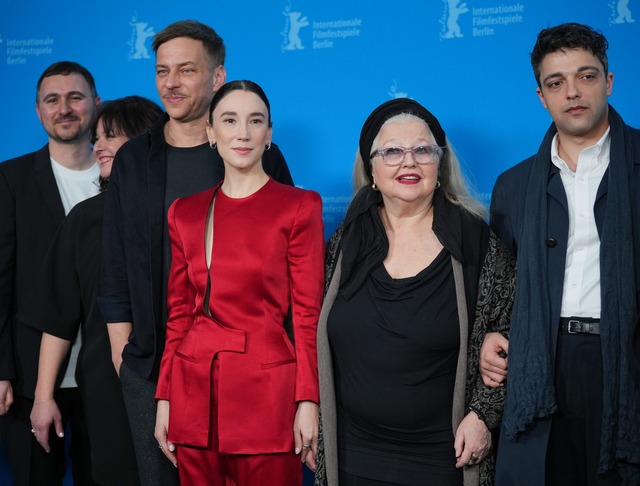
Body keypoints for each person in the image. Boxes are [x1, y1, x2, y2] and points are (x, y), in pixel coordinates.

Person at [98, 20, 294, 486]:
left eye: (186, 70)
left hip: (244, 372)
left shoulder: (259, 154)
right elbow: (115, 264)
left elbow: (288, 269)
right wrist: (126, 357)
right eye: (162, 70)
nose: (171, 82)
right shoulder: (133, 160)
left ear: (218, 77)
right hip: (152, 369)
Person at [315, 98, 516, 486]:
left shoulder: (476, 243)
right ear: (371, 168)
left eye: (422, 150)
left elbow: (513, 332)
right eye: (391, 151)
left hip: (444, 458)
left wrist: (483, 416)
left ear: (439, 165)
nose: (408, 162)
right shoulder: (343, 243)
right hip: (353, 454)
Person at [481, 22, 640, 485]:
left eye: (586, 76)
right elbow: (503, 287)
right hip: (542, 364)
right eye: (556, 83)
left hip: (625, 357)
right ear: (541, 96)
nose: (573, 92)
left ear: (609, 82)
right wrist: (492, 334)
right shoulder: (514, 185)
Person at [153, 80, 323, 484]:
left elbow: (307, 315)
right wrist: (165, 397)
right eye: (229, 120)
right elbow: (179, 315)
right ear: (211, 132)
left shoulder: (299, 207)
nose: (242, 133)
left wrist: (309, 399)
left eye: (255, 121)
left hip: (266, 399)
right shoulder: (185, 213)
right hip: (193, 398)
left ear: (269, 134)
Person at [21, 96, 163, 486]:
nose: (98, 145)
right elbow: (58, 318)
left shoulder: (183, 211)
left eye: (112, 136)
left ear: (147, 140)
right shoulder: (83, 220)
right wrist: (44, 397)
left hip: (179, 381)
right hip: (106, 389)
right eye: (97, 136)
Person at [0, 61, 101, 485]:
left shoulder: (125, 174)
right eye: (52, 100)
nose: (64, 108)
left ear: (96, 105)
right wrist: (1, 367)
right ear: (39, 110)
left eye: (75, 97)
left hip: (105, 374)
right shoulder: (11, 179)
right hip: (28, 375)